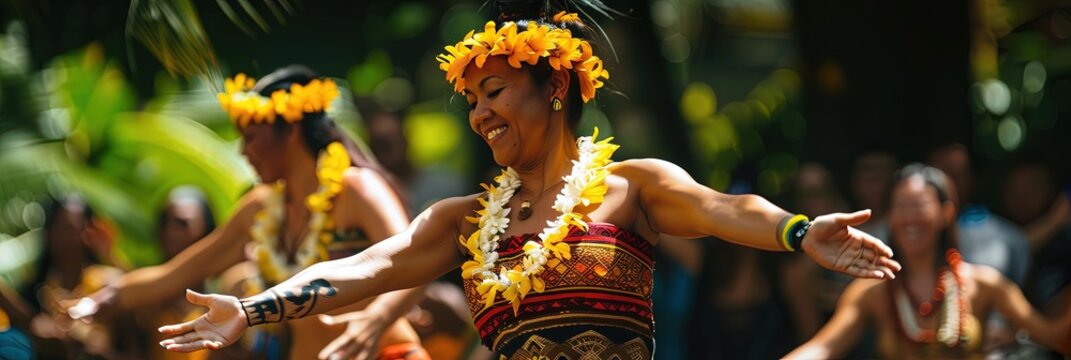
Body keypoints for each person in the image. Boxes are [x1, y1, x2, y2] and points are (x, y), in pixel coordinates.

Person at [157, 5, 900, 358]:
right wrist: (250, 310)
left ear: (552, 90)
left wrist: (798, 232)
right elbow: (371, 266)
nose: (479, 114)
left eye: (495, 93)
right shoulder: (462, 220)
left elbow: (719, 208)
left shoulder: (629, 188)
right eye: (471, 100)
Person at [67, 66, 429, 360]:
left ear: (290, 130)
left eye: (251, 137)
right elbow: (173, 276)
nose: (243, 152)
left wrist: (374, 322)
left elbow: (417, 261)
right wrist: (99, 299)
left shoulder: (356, 190)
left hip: (386, 354)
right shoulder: (260, 207)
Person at [786, 164, 1071, 359]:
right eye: (901, 206)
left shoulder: (984, 284)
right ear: (890, 218)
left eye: (919, 205)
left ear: (946, 213)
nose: (910, 217)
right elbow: (822, 349)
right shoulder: (871, 292)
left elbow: (1053, 335)